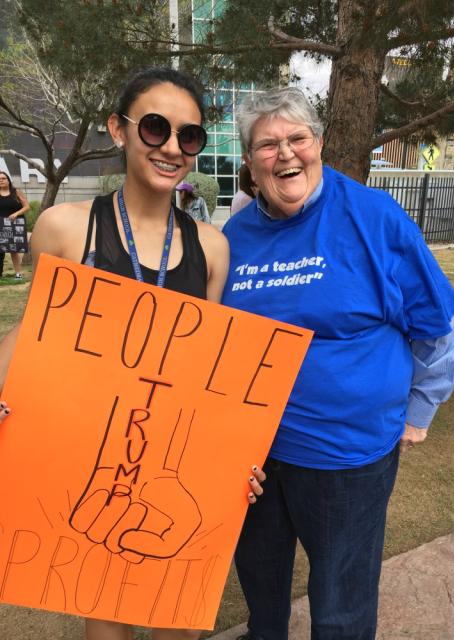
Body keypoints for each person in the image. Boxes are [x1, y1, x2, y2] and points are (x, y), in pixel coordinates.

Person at [0, 66, 265, 640]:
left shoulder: (213, 248)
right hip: (89, 461)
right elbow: (31, 337)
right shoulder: (67, 229)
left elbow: (212, 380)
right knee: (106, 623)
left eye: (188, 136)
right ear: (118, 131)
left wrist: (238, 459)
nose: (172, 147)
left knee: (179, 626)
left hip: (174, 463)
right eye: (154, 128)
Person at [221, 87, 454, 640]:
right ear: (250, 161)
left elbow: (441, 327)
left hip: (345, 458)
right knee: (263, 601)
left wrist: (419, 412)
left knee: (340, 608)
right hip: (253, 461)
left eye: (297, 139)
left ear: (320, 144)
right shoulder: (236, 236)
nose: (285, 154)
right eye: (267, 145)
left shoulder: (373, 218)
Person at [0, 171, 30, 279]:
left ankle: (18, 273)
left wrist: (16, 214)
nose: (1, 180)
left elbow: (27, 206)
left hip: (14, 225)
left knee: (14, 250)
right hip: (0, 226)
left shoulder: (16, 192)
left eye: (3, 178)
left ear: (8, 180)